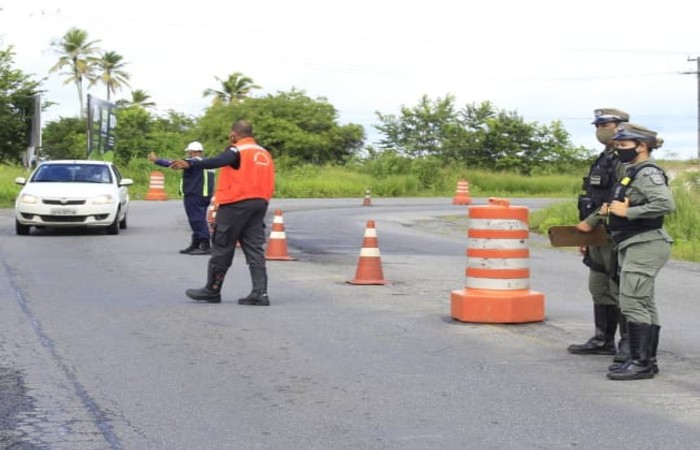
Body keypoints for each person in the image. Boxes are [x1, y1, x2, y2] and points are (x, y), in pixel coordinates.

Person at [579, 123, 674, 380]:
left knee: (632, 301)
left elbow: (665, 203)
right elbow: (612, 204)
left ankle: (640, 363)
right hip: (632, 243)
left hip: (645, 243)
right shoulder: (630, 172)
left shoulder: (647, 172)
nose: (619, 149)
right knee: (644, 302)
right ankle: (645, 360)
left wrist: (629, 212)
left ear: (641, 146)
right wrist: (590, 222)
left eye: (624, 145)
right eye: (618, 145)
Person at [170, 120, 275, 306]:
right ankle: (260, 293)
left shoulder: (237, 150)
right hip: (259, 204)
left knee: (222, 246)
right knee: (254, 248)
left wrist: (191, 163)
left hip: (235, 204)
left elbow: (218, 161)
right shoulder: (263, 152)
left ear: (234, 134)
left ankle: (212, 290)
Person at [568, 108, 630, 363]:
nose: (600, 130)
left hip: (614, 232)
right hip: (595, 232)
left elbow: (621, 198)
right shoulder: (603, 158)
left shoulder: (624, 160)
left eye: (606, 124)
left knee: (620, 288)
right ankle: (602, 339)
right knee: (599, 286)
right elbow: (592, 198)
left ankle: (628, 345)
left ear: (621, 126)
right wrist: (586, 231)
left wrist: (592, 223)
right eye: (598, 125)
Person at [149, 141, 215, 255]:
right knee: (199, 220)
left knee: (196, 220)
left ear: (192, 151)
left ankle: (205, 245)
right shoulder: (208, 163)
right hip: (205, 195)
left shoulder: (192, 162)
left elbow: (172, 163)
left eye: (189, 152)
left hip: (194, 194)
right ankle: (195, 244)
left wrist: (156, 160)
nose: (188, 154)